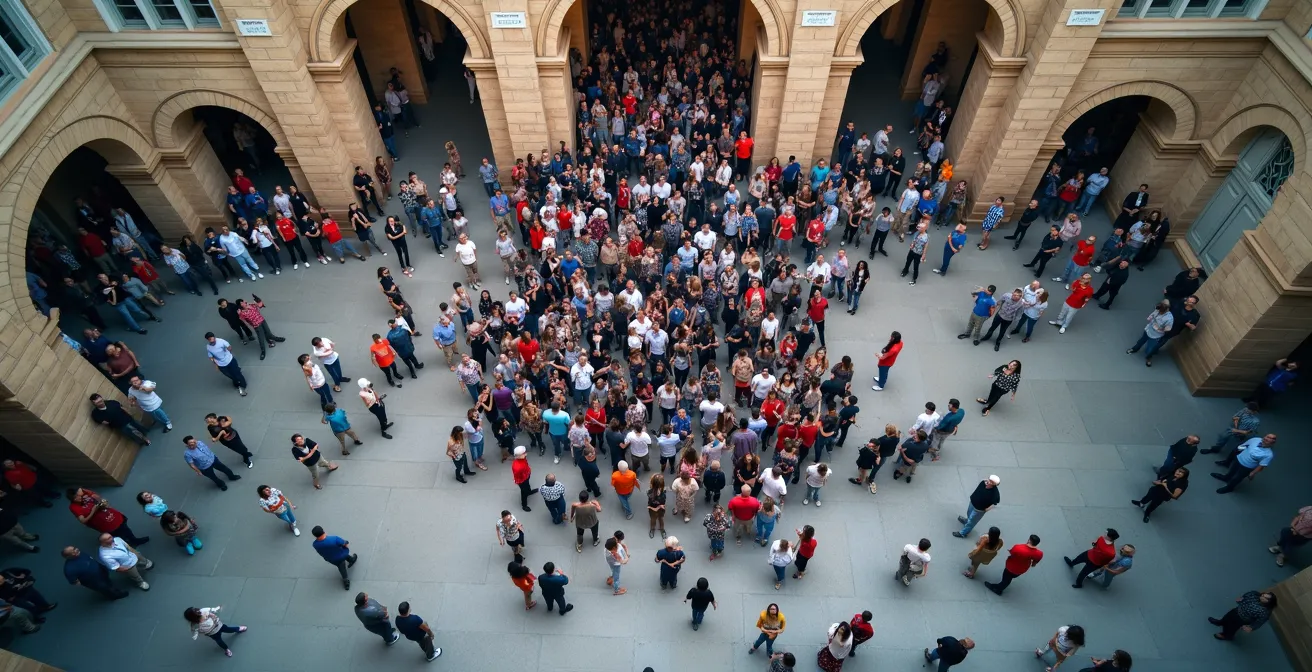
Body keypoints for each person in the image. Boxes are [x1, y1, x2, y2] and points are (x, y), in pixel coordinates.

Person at [67, 487, 149, 546]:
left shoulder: (84, 494)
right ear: (73, 498)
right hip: (104, 524)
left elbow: (98, 498)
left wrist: (100, 501)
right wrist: (93, 511)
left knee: (125, 528)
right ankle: (127, 544)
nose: (81, 497)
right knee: (119, 535)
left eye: (81, 494)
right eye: (78, 496)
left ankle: (134, 540)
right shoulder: (74, 507)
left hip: (112, 514)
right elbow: (83, 521)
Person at [1212, 432, 1276, 494]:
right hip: (1239, 459)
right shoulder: (1255, 439)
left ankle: (1229, 488)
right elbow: (1245, 444)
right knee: (1232, 471)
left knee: (1237, 478)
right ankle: (1226, 478)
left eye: (1269, 439)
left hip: (1247, 467)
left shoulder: (1268, 454)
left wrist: (1253, 473)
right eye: (1266, 437)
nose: (1265, 439)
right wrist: (1239, 449)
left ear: (1271, 443)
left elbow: (1262, 465)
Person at [62, 546, 128, 600]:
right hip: (94, 582)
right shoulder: (69, 569)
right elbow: (74, 582)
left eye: (74, 548)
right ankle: (115, 596)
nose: (76, 550)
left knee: (107, 582)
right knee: (106, 589)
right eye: (72, 552)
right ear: (68, 557)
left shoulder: (81, 553)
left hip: (101, 571)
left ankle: (109, 585)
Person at [1210, 590, 1277, 641]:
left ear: (1270, 602)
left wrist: (1251, 627)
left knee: (1232, 627)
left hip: (1242, 619)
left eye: (1266, 598)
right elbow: (1247, 595)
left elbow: (1260, 621)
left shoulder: (1265, 611)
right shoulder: (1254, 595)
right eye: (1263, 595)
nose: (1262, 597)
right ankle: (1221, 622)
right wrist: (1241, 598)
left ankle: (1227, 636)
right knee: (1227, 617)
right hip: (1237, 610)